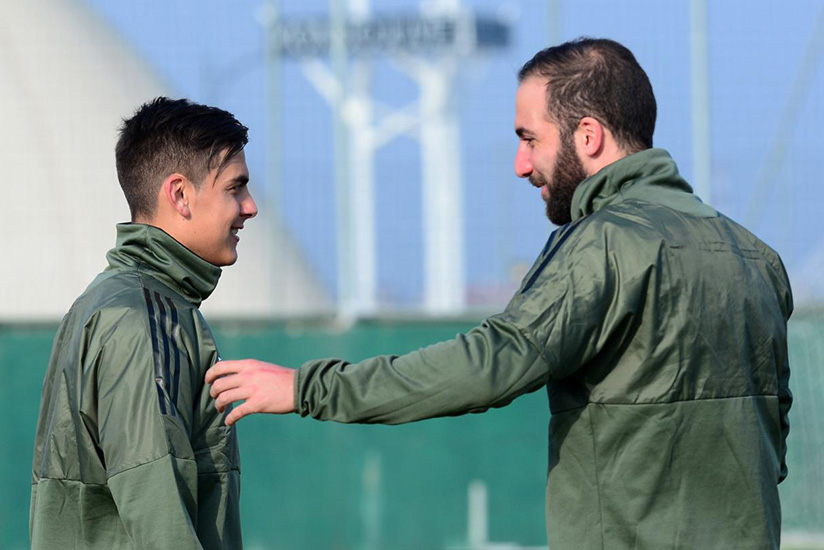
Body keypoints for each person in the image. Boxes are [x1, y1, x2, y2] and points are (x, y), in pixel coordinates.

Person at [206, 38, 793, 549]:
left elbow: (490, 363)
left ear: (588, 135)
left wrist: (308, 387)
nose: (519, 165)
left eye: (529, 139)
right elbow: (774, 429)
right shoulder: (755, 256)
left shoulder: (604, 244)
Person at [30, 97, 258, 549]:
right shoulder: (142, 318)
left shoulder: (118, 303)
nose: (249, 207)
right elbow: (158, 513)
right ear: (179, 195)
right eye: (236, 187)